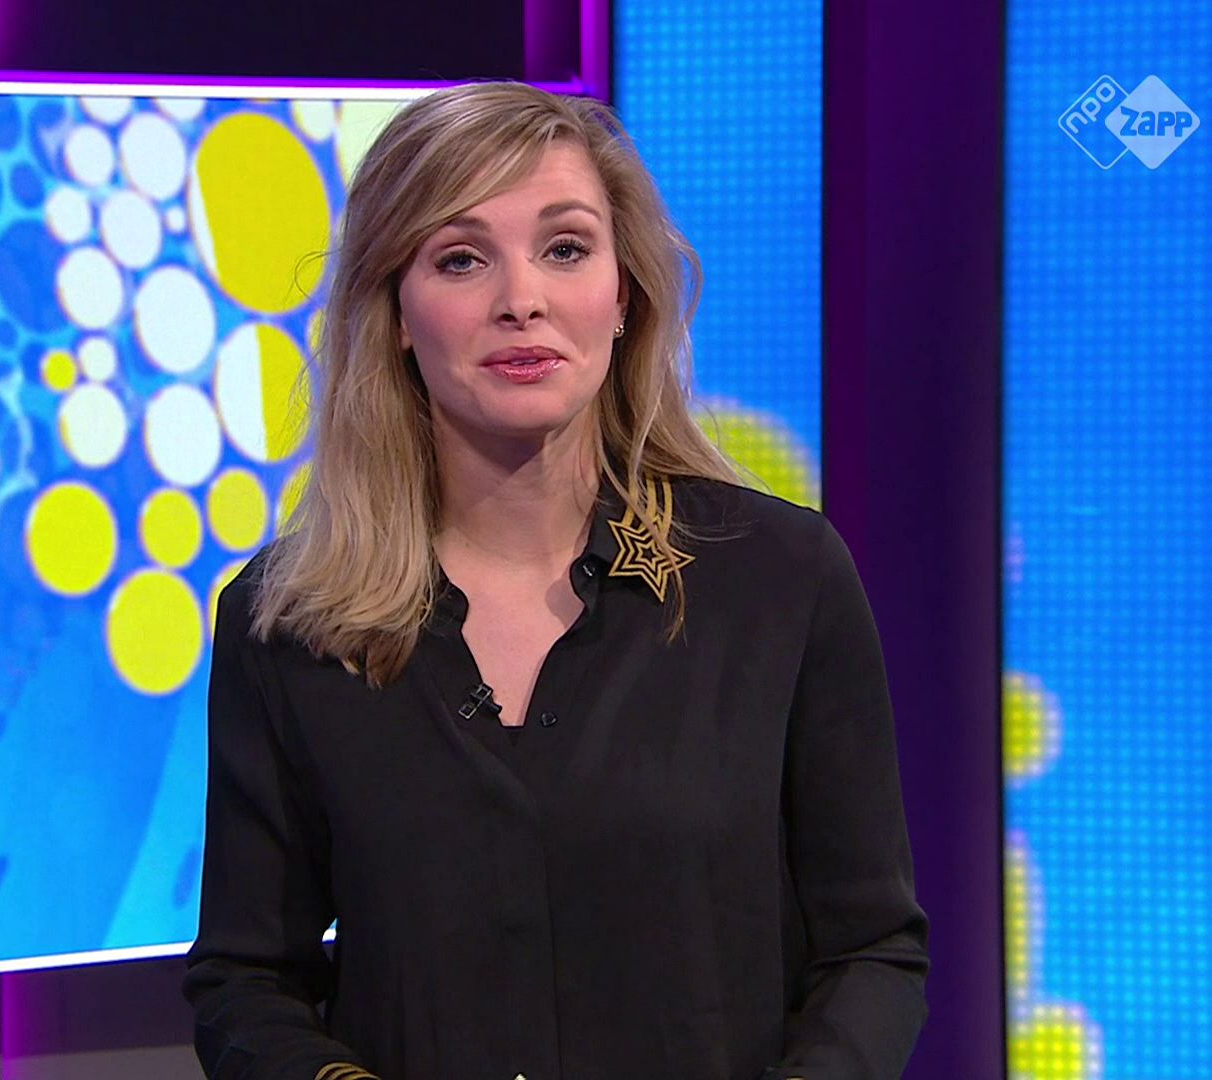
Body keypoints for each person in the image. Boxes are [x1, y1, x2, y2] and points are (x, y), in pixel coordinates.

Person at [181, 80, 927, 1080]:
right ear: (395, 311)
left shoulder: (782, 582)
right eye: (461, 259)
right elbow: (247, 980)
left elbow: (872, 952)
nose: (520, 299)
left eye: (565, 248)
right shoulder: (290, 621)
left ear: (623, 296)